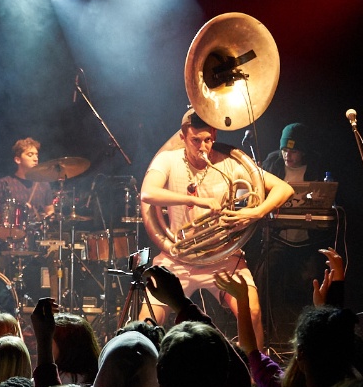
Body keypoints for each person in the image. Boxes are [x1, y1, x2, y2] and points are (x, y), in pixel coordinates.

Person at [139, 108, 292, 342]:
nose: (203, 147)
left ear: (215, 135)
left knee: (252, 312)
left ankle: (257, 376)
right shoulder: (168, 159)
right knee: (147, 321)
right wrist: (195, 199)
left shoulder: (230, 164)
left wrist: (255, 212)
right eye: (195, 140)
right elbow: (148, 193)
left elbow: (284, 188)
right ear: (182, 137)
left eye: (208, 140)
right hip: (178, 256)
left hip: (223, 256)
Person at [254, 121, 330, 347]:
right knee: (264, 276)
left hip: (307, 242)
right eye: (285, 150)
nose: (287, 156)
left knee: (312, 282)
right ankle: (269, 332)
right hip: (278, 238)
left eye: (293, 151)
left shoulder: (316, 166)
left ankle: (310, 337)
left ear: (304, 151)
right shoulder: (273, 162)